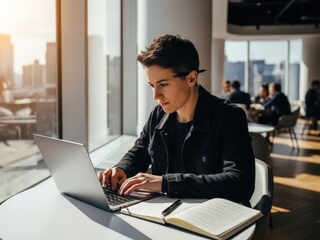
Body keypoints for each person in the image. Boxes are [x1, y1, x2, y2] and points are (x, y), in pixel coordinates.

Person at [97, 34, 255, 206]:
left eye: (163, 84)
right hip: (167, 215)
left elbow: (240, 182)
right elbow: (140, 152)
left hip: (214, 218)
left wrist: (166, 183)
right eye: (151, 85)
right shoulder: (158, 115)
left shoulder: (229, 117)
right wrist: (121, 169)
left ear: (191, 78)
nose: (155, 95)